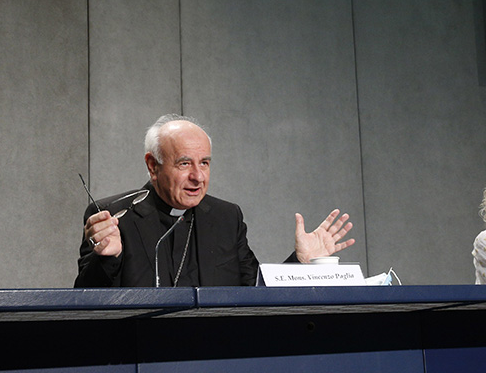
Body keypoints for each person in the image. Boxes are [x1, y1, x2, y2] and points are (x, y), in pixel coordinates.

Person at [75, 114, 355, 287]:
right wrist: (106, 259)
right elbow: (85, 302)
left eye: (205, 163)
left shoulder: (225, 218)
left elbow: (255, 292)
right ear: (153, 165)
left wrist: (300, 263)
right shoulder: (112, 217)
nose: (198, 177)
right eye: (185, 163)